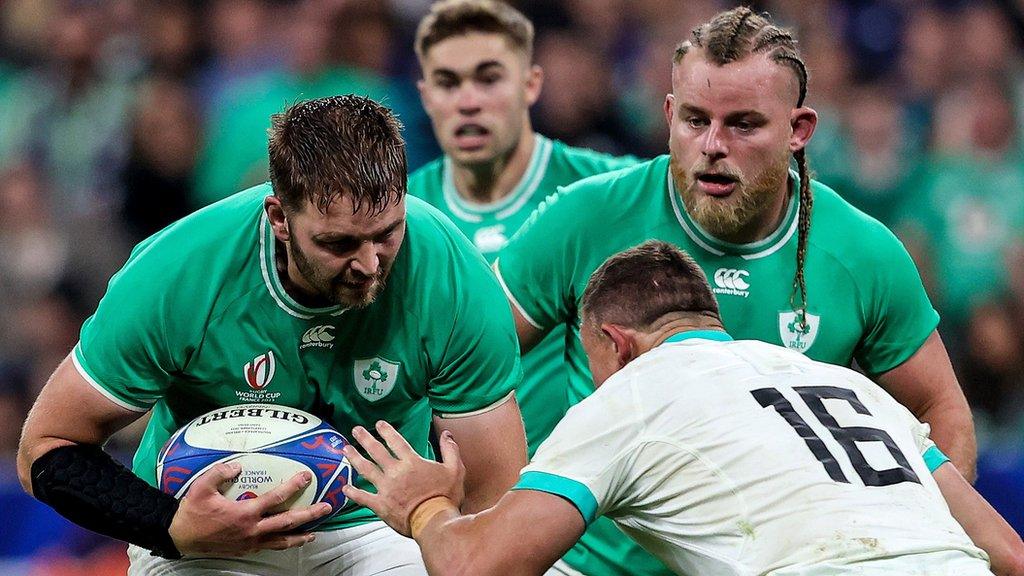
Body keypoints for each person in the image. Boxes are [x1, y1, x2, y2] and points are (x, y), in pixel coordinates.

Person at [490, 7, 977, 575]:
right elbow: (472, 361)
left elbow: (941, 409)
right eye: (695, 121)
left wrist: (918, 530)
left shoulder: (862, 254)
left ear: (799, 131)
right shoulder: (586, 218)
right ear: (669, 115)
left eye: (743, 124)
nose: (713, 144)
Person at [16, 95, 527, 575]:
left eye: (387, 232)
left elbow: (496, 496)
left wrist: (439, 517)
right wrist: (169, 526)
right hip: (200, 531)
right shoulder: (176, 275)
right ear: (279, 217)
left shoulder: (453, 276)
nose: (370, 264)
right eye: (339, 242)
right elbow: (45, 447)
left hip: (378, 527)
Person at [341, 241, 1024, 576]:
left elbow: (480, 568)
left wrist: (425, 508)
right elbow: (1005, 552)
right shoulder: (851, 387)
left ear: (613, 343)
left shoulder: (639, 392)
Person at [407, 0, 636, 456]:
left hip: (589, 492)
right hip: (457, 491)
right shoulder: (401, 216)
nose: (468, 101)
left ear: (531, 84)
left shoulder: (610, 193)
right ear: (426, 95)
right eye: (447, 83)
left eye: (489, 79)